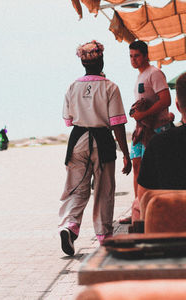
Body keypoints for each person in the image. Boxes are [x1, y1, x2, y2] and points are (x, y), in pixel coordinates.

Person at [59, 40, 132, 256]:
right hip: (103, 141)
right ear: (101, 60)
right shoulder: (110, 87)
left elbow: (69, 119)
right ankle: (104, 236)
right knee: (104, 190)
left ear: (83, 63)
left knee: (75, 187)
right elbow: (117, 124)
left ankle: (69, 226)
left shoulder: (73, 86)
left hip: (78, 140)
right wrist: (126, 154)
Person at [119, 40, 172, 224]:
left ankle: (158, 210)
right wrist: (136, 113)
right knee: (136, 166)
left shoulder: (154, 73)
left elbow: (166, 100)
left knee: (156, 169)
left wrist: (144, 113)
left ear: (146, 55)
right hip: (141, 130)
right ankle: (138, 209)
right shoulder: (140, 76)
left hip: (157, 129)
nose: (133, 60)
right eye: (131, 56)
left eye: (137, 56)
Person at [137, 72, 186, 200]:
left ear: (178, 107)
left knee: (137, 206)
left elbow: (143, 197)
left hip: (171, 216)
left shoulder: (158, 143)